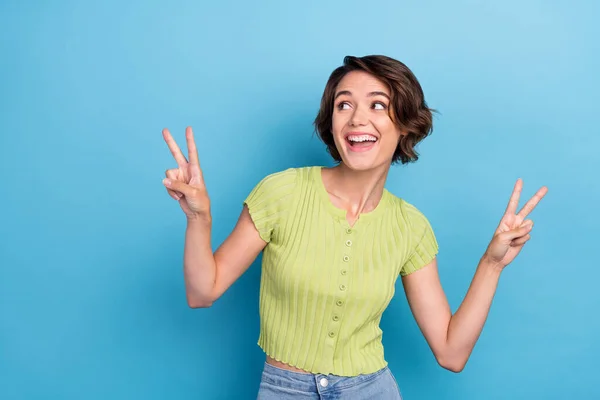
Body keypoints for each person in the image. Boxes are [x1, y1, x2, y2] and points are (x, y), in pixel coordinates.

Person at [161, 55, 548, 399]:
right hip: (284, 388)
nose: (357, 118)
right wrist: (199, 218)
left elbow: (451, 352)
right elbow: (202, 292)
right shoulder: (282, 193)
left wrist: (492, 264)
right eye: (343, 104)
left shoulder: (410, 227)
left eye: (377, 105)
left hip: (371, 390)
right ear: (332, 123)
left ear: (404, 126)